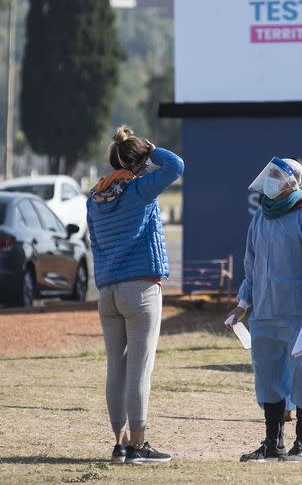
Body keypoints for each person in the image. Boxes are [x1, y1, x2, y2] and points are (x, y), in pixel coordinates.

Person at [226, 156, 302, 463]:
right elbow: (251, 270)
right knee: (268, 376)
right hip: (264, 314)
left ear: (293, 181)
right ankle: (272, 443)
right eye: (270, 173)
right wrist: (243, 304)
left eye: (277, 174)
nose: (271, 178)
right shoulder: (260, 218)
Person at [87, 126, 184, 464]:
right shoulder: (140, 190)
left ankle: (119, 443)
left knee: (116, 367)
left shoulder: (94, 198)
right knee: (140, 369)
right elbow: (176, 166)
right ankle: (139, 446)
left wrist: (105, 281)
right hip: (140, 288)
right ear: (139, 163)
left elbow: (95, 246)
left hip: (108, 292)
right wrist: (153, 150)